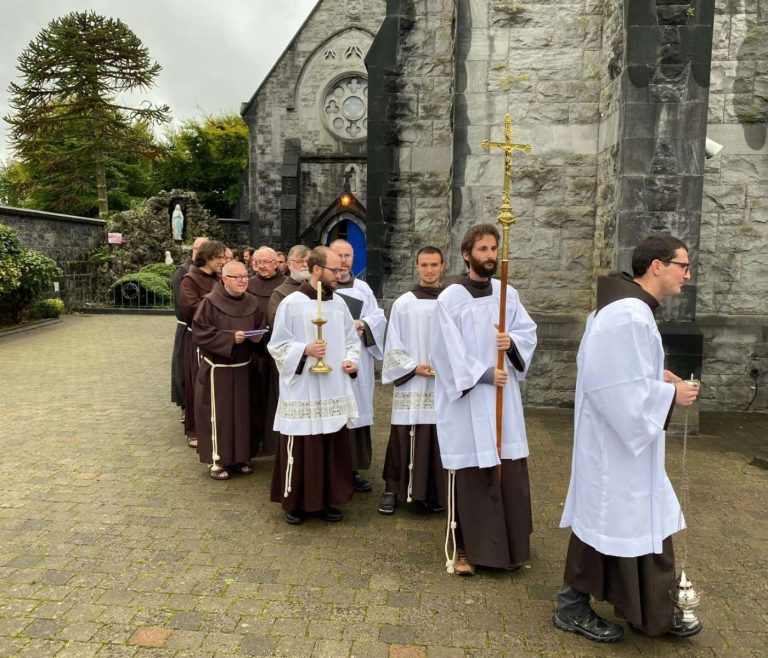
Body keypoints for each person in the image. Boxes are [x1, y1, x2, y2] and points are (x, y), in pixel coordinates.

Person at [554, 234, 702, 642]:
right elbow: (614, 389)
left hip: (622, 445)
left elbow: (619, 373)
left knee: (632, 521)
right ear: (657, 266)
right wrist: (671, 394)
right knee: (607, 521)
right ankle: (572, 607)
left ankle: (650, 609)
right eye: (683, 266)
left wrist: (657, 378)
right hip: (616, 447)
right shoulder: (629, 315)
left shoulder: (626, 310)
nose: (687, 275)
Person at [430, 224, 537, 576]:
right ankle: (464, 548)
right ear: (467, 255)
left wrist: (512, 343)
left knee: (509, 472)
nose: (490, 255)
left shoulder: (508, 294)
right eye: (483, 249)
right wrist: (483, 374)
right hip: (468, 401)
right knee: (471, 475)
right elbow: (444, 351)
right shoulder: (450, 298)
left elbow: (527, 332)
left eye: (493, 249)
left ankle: (510, 548)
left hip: (504, 400)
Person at [268, 246, 360, 524]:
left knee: (330, 444)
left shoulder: (339, 304)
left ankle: (326, 500)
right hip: (303, 387)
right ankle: (295, 502)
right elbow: (277, 347)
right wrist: (304, 349)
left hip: (333, 386)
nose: (339, 274)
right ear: (316, 269)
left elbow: (352, 341)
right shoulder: (292, 304)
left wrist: (351, 360)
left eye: (341, 269)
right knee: (303, 445)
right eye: (334, 270)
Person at [379, 246, 446, 515]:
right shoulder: (403, 303)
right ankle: (393, 490)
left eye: (434, 265)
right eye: (424, 265)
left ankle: (431, 492)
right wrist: (412, 367)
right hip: (412, 381)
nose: (429, 270)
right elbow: (393, 343)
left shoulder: (450, 302)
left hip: (441, 383)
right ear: (416, 267)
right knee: (403, 434)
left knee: (436, 436)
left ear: (442, 267)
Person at [191, 261, 266, 480]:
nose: (243, 281)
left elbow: (261, 327)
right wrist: (230, 338)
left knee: (243, 416)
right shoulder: (209, 302)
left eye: (245, 276)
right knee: (220, 417)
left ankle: (241, 457)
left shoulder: (252, 301)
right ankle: (217, 461)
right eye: (237, 277)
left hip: (244, 369)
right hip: (219, 371)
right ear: (224, 279)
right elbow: (200, 333)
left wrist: (256, 337)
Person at [330, 239, 387, 493]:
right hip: (330, 358)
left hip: (358, 359)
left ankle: (352, 469)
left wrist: (363, 324)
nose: (343, 261)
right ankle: (331, 469)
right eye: (338, 255)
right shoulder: (324, 288)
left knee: (356, 409)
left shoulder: (362, 288)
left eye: (348, 256)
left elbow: (378, 317)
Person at [178, 240, 227, 448]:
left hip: (219, 338)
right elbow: (191, 307)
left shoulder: (219, 279)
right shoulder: (189, 280)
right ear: (206, 257)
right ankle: (195, 430)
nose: (223, 261)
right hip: (199, 339)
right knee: (198, 385)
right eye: (219, 258)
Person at [247, 246, 286, 455]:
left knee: (275, 393)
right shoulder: (248, 284)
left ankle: (275, 439)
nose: (262, 266)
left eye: (266, 262)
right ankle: (257, 437)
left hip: (279, 348)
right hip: (255, 348)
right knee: (256, 393)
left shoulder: (285, 285)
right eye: (258, 262)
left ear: (276, 263)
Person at [171, 236, 206, 419]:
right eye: (198, 249)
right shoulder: (184, 272)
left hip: (203, 329)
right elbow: (182, 303)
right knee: (184, 369)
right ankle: (186, 406)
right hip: (188, 328)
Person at [268, 245, 311, 327]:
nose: (305, 265)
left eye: (308, 261)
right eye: (299, 261)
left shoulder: (317, 290)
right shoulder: (279, 294)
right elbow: (276, 325)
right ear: (289, 264)